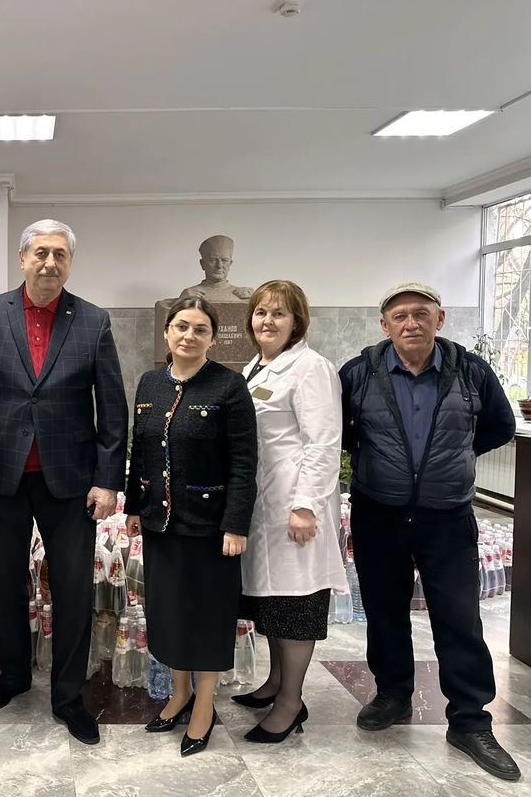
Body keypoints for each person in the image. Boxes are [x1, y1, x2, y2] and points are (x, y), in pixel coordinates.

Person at [0, 219, 128, 745]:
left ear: (70, 263)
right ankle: (13, 675)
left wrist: (107, 480)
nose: (50, 262)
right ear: (22, 258)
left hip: (70, 481)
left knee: (72, 588)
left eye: (60, 254)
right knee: (4, 583)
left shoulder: (93, 320)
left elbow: (111, 407)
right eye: (41, 253)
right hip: (2, 475)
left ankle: (68, 696)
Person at [339, 282, 520, 781]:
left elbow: (501, 426)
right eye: (399, 316)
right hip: (379, 512)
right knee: (384, 611)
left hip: (448, 516)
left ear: (440, 320)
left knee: (459, 618)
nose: (411, 323)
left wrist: (454, 457)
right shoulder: (358, 373)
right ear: (385, 326)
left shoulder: (471, 371)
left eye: (421, 313)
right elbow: (343, 432)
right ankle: (393, 694)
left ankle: (470, 720)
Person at [124, 296, 257, 756]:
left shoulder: (229, 386)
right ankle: (178, 693)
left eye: (200, 329)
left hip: (210, 527)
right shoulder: (149, 383)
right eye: (181, 326)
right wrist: (134, 506)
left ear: (212, 339)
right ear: (167, 332)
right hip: (161, 523)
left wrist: (235, 524)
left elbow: (243, 462)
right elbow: (140, 450)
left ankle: (203, 704)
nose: (189, 336)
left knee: (207, 616)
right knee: (170, 613)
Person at [231, 280, 347, 742]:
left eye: (279, 313)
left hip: (295, 509)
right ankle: (275, 681)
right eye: (261, 312)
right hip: (264, 505)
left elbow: (323, 442)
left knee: (296, 602)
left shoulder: (311, 368)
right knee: (273, 601)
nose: (268, 321)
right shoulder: (255, 366)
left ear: (297, 321)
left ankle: (291, 703)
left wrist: (305, 506)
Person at [177, 235, 254, 303]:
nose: (219, 265)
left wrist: (256, 297)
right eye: (213, 260)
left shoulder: (243, 295)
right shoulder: (191, 294)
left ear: (230, 264)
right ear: (202, 264)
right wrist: (181, 300)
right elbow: (171, 311)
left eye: (224, 260)